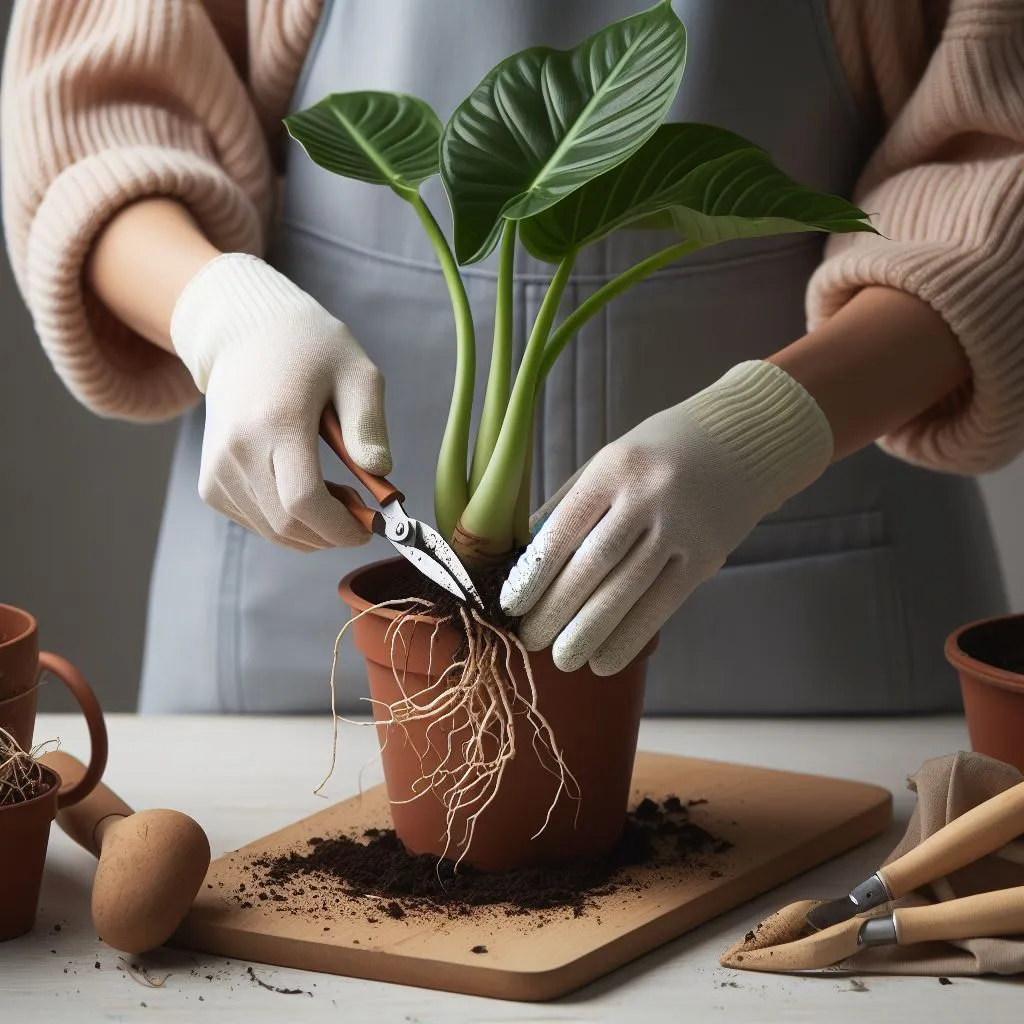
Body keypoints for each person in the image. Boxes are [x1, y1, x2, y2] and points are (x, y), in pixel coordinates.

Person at [2, 0, 1021, 715]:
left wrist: (772, 427)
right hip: (287, 651)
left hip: (817, 647)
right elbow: (96, 109)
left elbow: (997, 178)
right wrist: (222, 312)